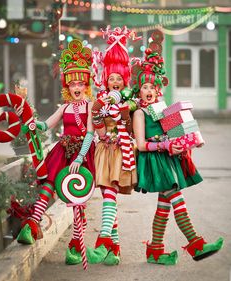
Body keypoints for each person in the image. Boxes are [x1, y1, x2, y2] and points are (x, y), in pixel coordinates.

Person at [132, 30, 223, 265]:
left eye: (153, 87)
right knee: (177, 199)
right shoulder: (140, 113)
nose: (149, 91)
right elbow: (141, 145)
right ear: (139, 90)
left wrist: (188, 139)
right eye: (145, 88)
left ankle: (155, 250)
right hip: (155, 161)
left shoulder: (162, 109)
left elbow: (180, 133)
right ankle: (196, 244)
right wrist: (164, 144)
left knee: (164, 205)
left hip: (168, 158)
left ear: (158, 89)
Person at [16, 39, 95, 265]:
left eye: (81, 83)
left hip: (82, 154)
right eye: (73, 84)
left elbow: (90, 133)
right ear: (67, 86)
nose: (77, 87)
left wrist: (80, 158)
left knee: (79, 199)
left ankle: (74, 246)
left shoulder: (91, 106)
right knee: (49, 184)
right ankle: (32, 224)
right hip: (63, 150)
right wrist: (31, 122)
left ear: (86, 85)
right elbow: (46, 125)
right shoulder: (65, 107)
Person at [87, 26, 138, 266]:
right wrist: (99, 113)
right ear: (106, 79)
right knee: (108, 196)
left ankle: (104, 240)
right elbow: (96, 129)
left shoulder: (130, 102)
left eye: (119, 78)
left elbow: (133, 128)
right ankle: (114, 251)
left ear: (124, 79)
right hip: (102, 151)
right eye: (111, 78)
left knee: (110, 195)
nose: (115, 81)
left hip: (121, 151)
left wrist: (123, 112)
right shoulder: (99, 101)